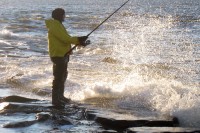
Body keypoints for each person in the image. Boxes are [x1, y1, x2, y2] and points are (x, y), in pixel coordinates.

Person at [45, 8, 88, 107]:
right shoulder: (55, 25)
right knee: (58, 77)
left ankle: (61, 97)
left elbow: (65, 40)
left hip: (63, 54)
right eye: (64, 14)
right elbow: (65, 39)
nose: (65, 16)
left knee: (63, 76)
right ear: (60, 15)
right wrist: (79, 39)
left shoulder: (58, 25)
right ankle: (56, 100)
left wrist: (80, 42)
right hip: (58, 55)